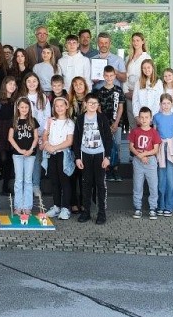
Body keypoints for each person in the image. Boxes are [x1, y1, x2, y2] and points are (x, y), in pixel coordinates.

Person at [73, 94, 111, 224]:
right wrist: (77, 158)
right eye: (90, 103)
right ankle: (86, 212)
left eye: (95, 103)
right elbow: (76, 139)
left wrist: (107, 157)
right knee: (86, 184)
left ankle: (102, 213)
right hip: (85, 155)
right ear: (85, 103)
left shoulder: (102, 118)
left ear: (98, 105)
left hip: (100, 155)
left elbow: (108, 138)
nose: (93, 105)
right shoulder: (80, 119)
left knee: (100, 185)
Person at [43, 96, 75, 221]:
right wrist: (47, 145)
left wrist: (54, 147)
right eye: (57, 106)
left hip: (63, 154)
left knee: (64, 181)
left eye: (62, 106)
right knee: (54, 181)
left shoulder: (69, 123)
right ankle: (56, 206)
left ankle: (65, 208)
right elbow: (45, 135)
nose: (59, 108)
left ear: (66, 106)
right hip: (51, 154)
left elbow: (69, 141)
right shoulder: (50, 121)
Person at [92, 64, 125, 182]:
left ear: (115, 76)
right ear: (103, 76)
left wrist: (116, 123)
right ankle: (107, 170)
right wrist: (105, 124)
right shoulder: (100, 91)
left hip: (117, 124)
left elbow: (121, 107)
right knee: (106, 145)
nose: (109, 78)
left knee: (117, 145)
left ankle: (115, 169)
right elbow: (99, 109)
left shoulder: (119, 90)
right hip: (104, 124)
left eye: (111, 75)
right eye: (107, 75)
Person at [19, 72, 49, 197]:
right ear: (25, 83)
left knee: (36, 161)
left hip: (40, 134)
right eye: (29, 81)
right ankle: (24, 186)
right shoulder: (21, 98)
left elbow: (48, 117)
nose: (31, 83)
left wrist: (44, 135)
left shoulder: (43, 97)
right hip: (24, 135)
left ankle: (35, 185)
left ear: (38, 83)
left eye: (34, 81)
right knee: (23, 160)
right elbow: (17, 117)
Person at [129, 106, 161, 219]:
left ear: (151, 118)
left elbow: (156, 149)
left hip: (150, 161)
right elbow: (131, 146)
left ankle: (153, 208)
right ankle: (138, 208)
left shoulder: (154, 132)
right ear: (138, 118)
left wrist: (144, 154)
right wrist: (139, 156)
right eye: (142, 117)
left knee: (153, 186)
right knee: (137, 186)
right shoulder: (135, 131)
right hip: (138, 161)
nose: (144, 120)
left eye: (146, 117)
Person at [8, 97, 39, 216]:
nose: (24, 109)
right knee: (19, 180)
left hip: (30, 154)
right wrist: (19, 150)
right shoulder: (14, 121)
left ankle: (27, 207)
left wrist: (31, 149)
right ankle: (18, 206)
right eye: (22, 107)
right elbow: (10, 138)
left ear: (29, 108)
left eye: (26, 107)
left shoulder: (33, 121)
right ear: (18, 108)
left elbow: (36, 138)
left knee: (28, 180)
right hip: (17, 154)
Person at [152, 93, 173, 217]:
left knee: (171, 179)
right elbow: (154, 134)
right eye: (163, 103)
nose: (166, 106)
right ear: (160, 104)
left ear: (172, 104)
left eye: (168, 103)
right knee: (161, 178)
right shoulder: (156, 117)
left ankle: (170, 205)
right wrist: (154, 152)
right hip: (160, 148)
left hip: (172, 148)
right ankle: (161, 205)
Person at [0, 76, 18, 194]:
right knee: (1, 157)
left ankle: (5, 186)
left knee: (9, 159)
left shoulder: (16, 100)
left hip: (11, 130)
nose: (12, 86)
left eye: (14, 84)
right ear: (5, 85)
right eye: (10, 84)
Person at [124, 32, 152, 113]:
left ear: (143, 42)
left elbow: (149, 77)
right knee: (131, 117)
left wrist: (137, 93)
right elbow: (125, 76)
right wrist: (126, 91)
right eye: (133, 40)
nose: (135, 43)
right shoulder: (128, 58)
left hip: (141, 93)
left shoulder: (147, 57)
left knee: (141, 117)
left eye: (137, 40)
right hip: (129, 93)